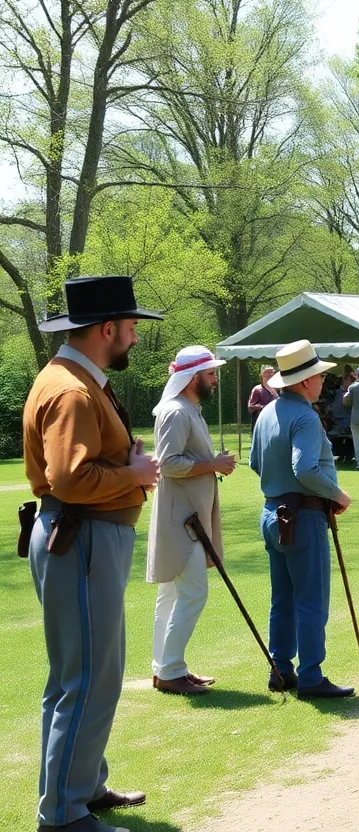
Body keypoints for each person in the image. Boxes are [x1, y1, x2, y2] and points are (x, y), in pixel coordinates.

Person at [22, 275, 162, 832]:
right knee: (84, 679)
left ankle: (84, 785)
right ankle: (63, 815)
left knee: (83, 675)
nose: (133, 337)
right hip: (81, 540)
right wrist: (132, 473)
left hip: (83, 541)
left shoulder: (79, 379)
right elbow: (69, 479)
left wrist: (128, 466)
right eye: (129, 327)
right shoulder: (74, 389)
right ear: (107, 329)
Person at [250, 340, 355, 700]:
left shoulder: (267, 413)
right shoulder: (306, 417)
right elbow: (305, 468)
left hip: (272, 512)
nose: (322, 381)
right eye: (318, 375)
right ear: (306, 381)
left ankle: (281, 668)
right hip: (303, 516)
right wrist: (337, 495)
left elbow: (255, 463)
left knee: (283, 598)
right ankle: (311, 675)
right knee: (311, 600)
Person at [147, 346, 235, 696]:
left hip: (186, 515)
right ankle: (169, 670)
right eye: (211, 374)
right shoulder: (176, 412)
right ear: (192, 377)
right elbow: (168, 463)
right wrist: (213, 464)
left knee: (172, 594)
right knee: (192, 591)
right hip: (181, 519)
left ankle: (167, 666)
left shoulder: (188, 409)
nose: (215, 379)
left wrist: (211, 464)